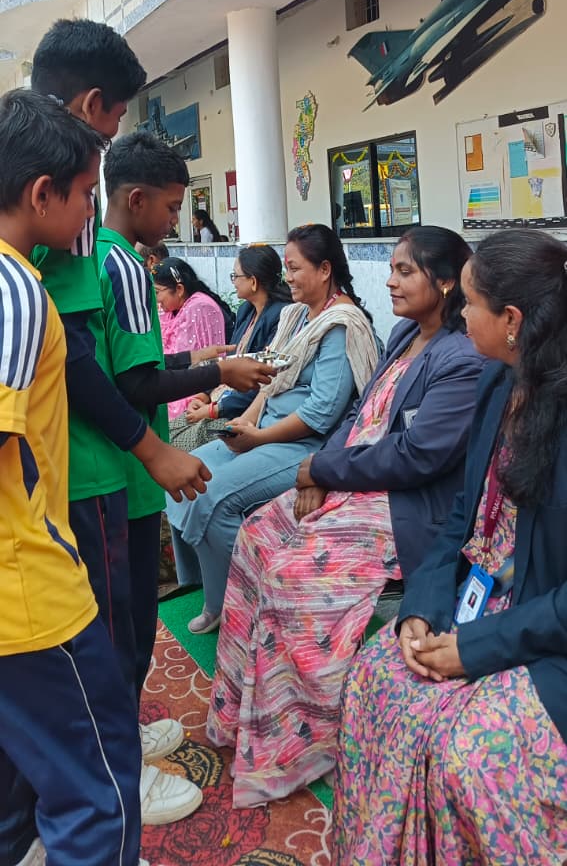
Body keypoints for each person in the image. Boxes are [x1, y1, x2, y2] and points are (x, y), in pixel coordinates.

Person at [207, 226, 484, 806]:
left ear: (444, 282)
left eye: (405, 271)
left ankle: (304, 741)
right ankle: (242, 714)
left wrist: (324, 470)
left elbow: (417, 456)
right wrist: (322, 468)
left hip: (403, 504)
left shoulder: (460, 357)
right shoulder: (405, 334)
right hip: (352, 477)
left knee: (293, 573)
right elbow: (360, 414)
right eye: (392, 269)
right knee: (257, 536)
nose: (391, 282)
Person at [28, 18, 216, 833]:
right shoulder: (74, 243)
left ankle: (107, 757)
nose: (91, 193)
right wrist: (151, 446)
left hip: (64, 471)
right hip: (89, 472)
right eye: (110, 128)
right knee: (98, 644)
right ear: (91, 105)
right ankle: (111, 779)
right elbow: (84, 363)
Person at [332, 228, 567, 866]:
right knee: (376, 677)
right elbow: (462, 516)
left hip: (544, 633)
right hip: (477, 603)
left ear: (512, 320)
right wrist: (421, 607)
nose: (460, 316)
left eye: (470, 303)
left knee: (466, 749)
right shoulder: (498, 383)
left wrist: (476, 647)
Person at [0, 90, 145, 866]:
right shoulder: (16, 288)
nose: (92, 210)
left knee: (21, 778)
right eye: (86, 193)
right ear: (40, 193)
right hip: (29, 592)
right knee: (99, 788)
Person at [96, 133, 278, 689]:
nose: (177, 219)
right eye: (173, 206)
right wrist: (219, 372)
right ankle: (126, 729)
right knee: (131, 619)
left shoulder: (98, 255)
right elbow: (136, 383)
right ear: (137, 200)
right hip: (129, 465)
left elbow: (125, 361)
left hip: (112, 457)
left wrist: (194, 359)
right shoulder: (128, 267)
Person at [168, 224, 380, 635]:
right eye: (286, 267)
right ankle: (212, 589)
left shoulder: (341, 325)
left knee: (212, 496)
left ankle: (254, 605)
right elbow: (271, 383)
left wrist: (259, 437)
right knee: (182, 472)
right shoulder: (296, 315)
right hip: (263, 429)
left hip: (302, 445)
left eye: (295, 268)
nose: (287, 277)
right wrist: (247, 421)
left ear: (324, 270)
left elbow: (321, 413)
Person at [183, 243, 292, 449]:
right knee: (168, 432)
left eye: (236, 276)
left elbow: (265, 379)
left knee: (179, 445)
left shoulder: (281, 316)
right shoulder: (246, 311)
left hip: (242, 411)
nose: (233, 282)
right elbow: (230, 362)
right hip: (221, 399)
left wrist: (214, 409)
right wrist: (204, 395)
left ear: (253, 281)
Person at [154, 258, 233, 438]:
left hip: (195, 390)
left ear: (179, 289)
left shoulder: (199, 307)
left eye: (157, 292)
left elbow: (194, 362)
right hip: (176, 381)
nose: (156, 300)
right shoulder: (172, 310)